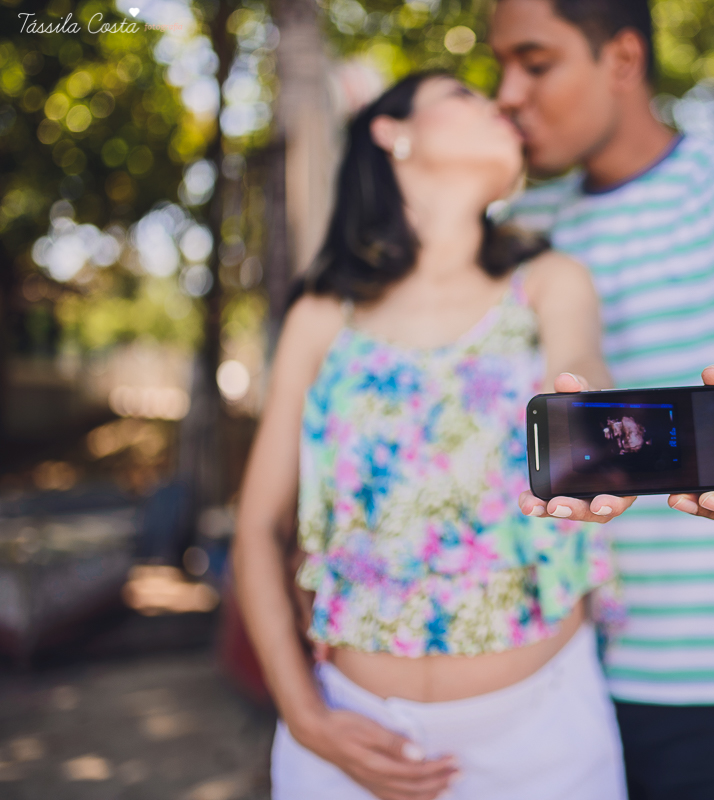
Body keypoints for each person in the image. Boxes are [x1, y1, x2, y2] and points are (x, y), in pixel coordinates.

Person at [232, 71, 627, 800]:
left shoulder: (548, 282)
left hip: (542, 736)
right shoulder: (323, 315)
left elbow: (581, 368)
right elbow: (256, 528)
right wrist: (308, 718)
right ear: (391, 130)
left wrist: (585, 414)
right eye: (468, 97)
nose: (502, 104)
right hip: (348, 735)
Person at [490, 1, 714, 798]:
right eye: (501, 66)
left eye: (535, 63)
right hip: (556, 677)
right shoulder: (518, 225)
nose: (509, 93)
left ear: (620, 58)